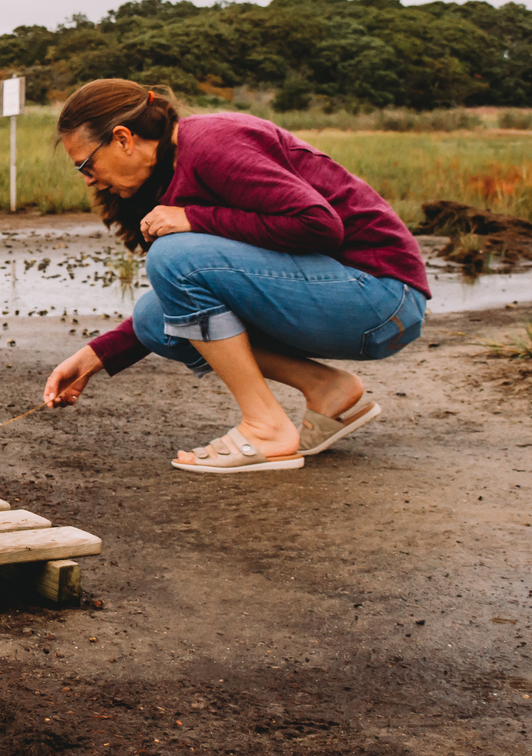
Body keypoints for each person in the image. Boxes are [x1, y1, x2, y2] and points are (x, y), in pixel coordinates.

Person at [40, 79, 429, 473]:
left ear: (123, 139)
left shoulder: (211, 144)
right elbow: (185, 296)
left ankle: (265, 428)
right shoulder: (172, 169)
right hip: (348, 297)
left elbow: (319, 224)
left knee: (173, 255)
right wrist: (97, 356)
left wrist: (194, 218)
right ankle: (328, 390)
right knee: (154, 320)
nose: (87, 179)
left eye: (86, 164)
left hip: (382, 294)